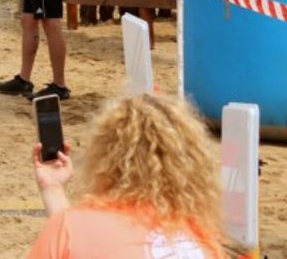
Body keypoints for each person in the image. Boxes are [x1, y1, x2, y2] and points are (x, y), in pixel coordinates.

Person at [27, 93, 225, 258]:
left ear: (104, 155)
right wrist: (53, 189)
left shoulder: (71, 228)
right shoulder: (202, 239)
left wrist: (55, 198)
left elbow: (78, 241)